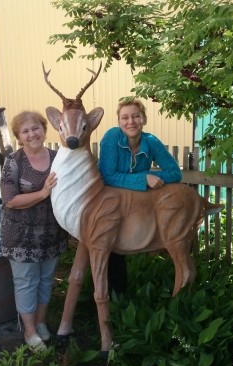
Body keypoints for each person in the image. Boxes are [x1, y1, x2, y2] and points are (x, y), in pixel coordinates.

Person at [56, 98, 182, 340]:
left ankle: (119, 311)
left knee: (117, 259)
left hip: (133, 208)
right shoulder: (112, 138)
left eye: (135, 116)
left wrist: (152, 175)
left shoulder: (151, 142)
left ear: (143, 119)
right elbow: (108, 175)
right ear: (118, 121)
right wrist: (143, 178)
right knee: (105, 256)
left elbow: (174, 172)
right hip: (108, 206)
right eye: (125, 117)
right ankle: (94, 319)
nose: (130, 121)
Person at [0, 110, 68, 352]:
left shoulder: (58, 157)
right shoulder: (14, 162)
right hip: (21, 236)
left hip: (52, 233)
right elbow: (9, 200)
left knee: (46, 280)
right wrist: (42, 193)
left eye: (36, 128)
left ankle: (40, 323)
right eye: (25, 131)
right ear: (19, 136)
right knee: (27, 281)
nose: (32, 134)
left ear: (44, 129)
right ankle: (29, 331)